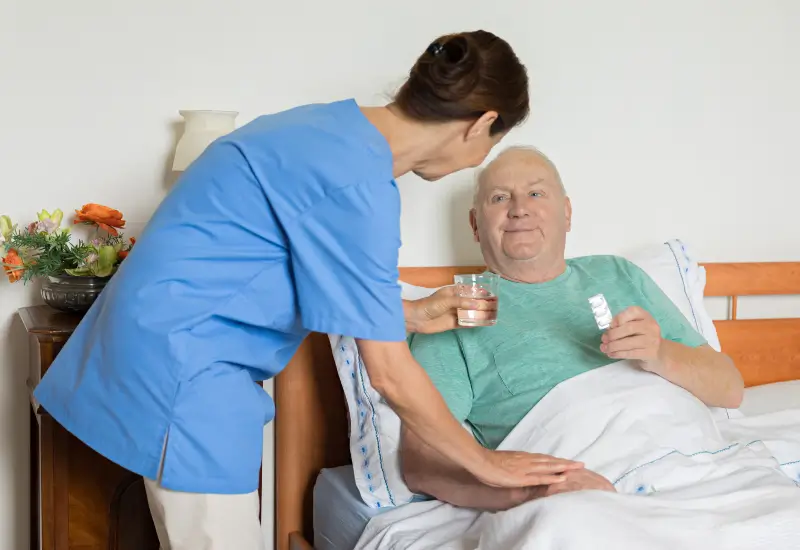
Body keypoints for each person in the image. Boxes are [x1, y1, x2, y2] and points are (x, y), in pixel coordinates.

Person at [32, 32, 582, 550]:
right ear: (481, 123)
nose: (480, 159)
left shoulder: (322, 129)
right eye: (493, 143)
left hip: (153, 345)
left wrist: (406, 314)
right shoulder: (361, 187)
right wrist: (487, 463)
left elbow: (269, 263)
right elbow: (388, 374)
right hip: (188, 373)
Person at [401, 146, 744, 511]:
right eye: (500, 198)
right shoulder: (452, 309)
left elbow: (730, 389)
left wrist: (660, 355)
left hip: (694, 462)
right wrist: (534, 492)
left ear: (566, 213)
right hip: (578, 481)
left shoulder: (618, 274)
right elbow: (422, 462)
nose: (519, 208)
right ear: (474, 224)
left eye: (535, 193)